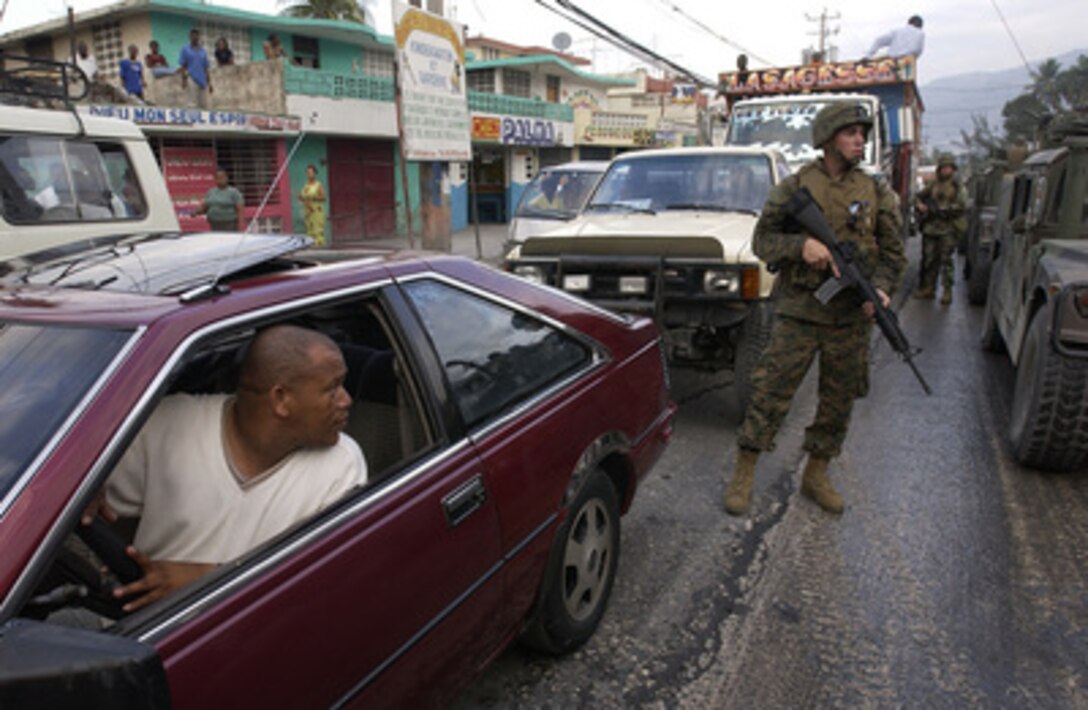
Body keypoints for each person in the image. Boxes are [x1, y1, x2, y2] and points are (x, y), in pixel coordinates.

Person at [83, 325, 366, 613]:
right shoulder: (169, 423)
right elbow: (87, 501)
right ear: (281, 399)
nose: (346, 400)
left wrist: (198, 580)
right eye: (333, 389)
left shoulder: (341, 463)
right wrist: (86, 485)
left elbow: (317, 581)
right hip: (145, 627)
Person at [722, 102, 907, 516]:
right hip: (800, 311)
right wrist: (800, 246)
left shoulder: (875, 191)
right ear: (827, 139)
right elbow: (762, 241)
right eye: (851, 132)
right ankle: (744, 471)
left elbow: (894, 253)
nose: (860, 139)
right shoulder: (794, 188)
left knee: (838, 401)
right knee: (770, 393)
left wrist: (880, 289)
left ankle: (817, 473)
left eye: (863, 132)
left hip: (849, 319)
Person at [914, 153, 967, 305]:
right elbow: (917, 197)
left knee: (946, 261)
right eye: (944, 168)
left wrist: (945, 209)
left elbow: (962, 205)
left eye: (949, 168)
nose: (946, 171)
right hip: (931, 228)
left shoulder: (957, 186)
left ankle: (947, 291)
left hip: (948, 228)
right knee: (928, 259)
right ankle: (928, 288)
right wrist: (920, 206)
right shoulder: (933, 184)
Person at [178, 28, 213, 108]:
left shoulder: (202, 51)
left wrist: (209, 83)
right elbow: (183, 65)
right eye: (192, 36)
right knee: (192, 104)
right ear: (190, 37)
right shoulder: (185, 49)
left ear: (198, 37)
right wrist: (184, 80)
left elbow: (206, 68)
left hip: (202, 80)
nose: (194, 37)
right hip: (191, 78)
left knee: (203, 105)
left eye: (196, 36)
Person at [298, 164, 328, 246]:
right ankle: (311, 247)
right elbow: (302, 197)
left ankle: (319, 247)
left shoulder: (318, 185)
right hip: (308, 212)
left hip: (316, 212)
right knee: (309, 230)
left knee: (317, 231)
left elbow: (324, 198)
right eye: (308, 172)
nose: (309, 174)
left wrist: (314, 197)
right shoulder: (306, 186)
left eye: (311, 172)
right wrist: (300, 197)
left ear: (315, 173)